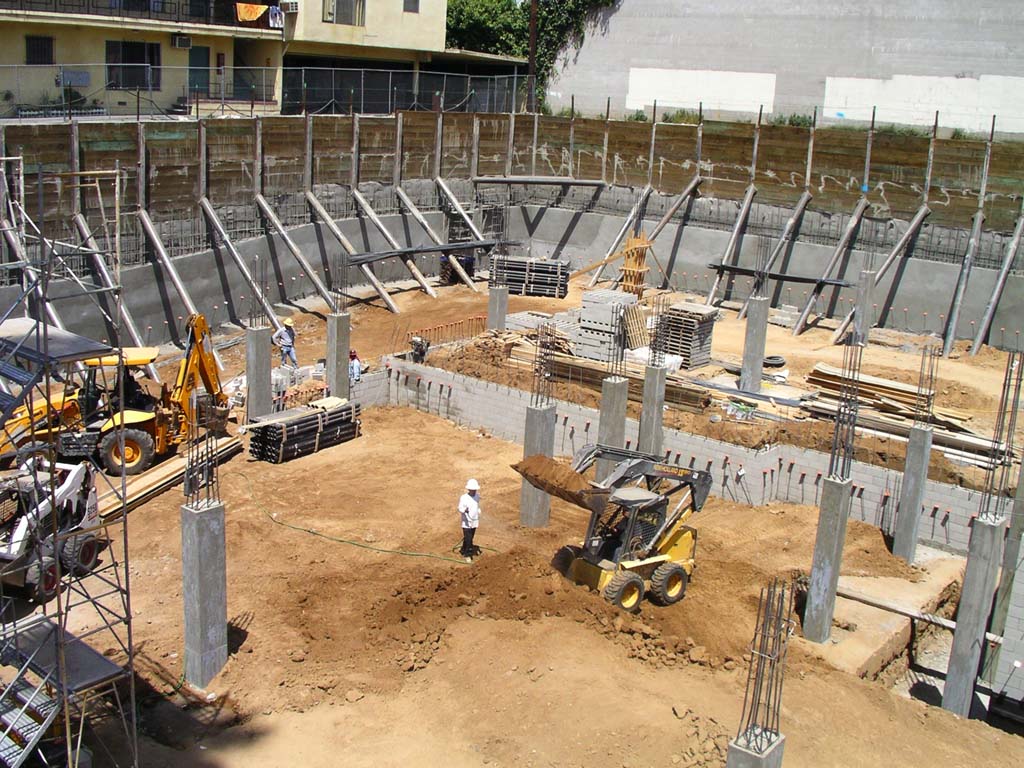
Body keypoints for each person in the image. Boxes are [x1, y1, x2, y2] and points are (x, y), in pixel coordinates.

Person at [458, 478, 481, 563]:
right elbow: (460, 508)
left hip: (474, 521)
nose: (474, 491)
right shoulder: (464, 498)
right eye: (472, 490)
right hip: (466, 522)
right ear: (469, 489)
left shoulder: (477, 496)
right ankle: (467, 554)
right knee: (469, 538)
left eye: (475, 490)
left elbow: (477, 506)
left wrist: (478, 511)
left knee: (469, 537)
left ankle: (463, 549)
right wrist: (464, 510)